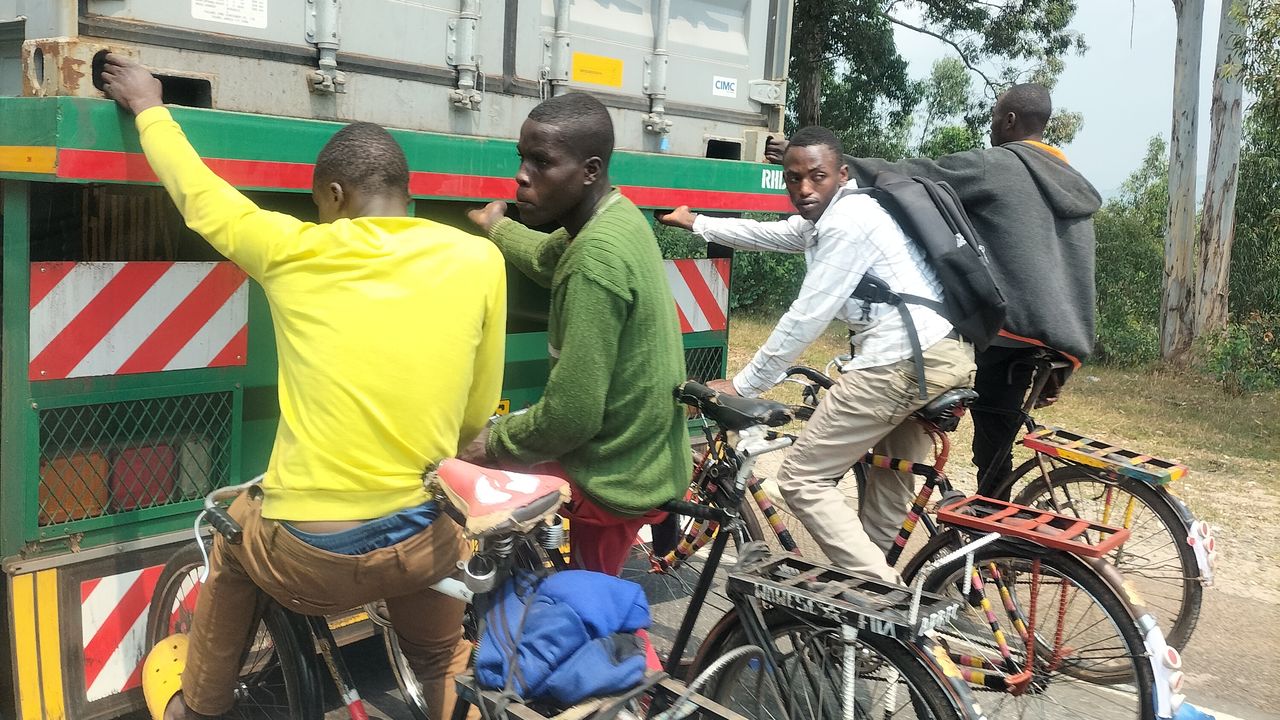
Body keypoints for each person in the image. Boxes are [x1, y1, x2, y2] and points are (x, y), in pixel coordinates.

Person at [101, 55, 505, 720]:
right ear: (410, 195)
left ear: (336, 197)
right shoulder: (478, 259)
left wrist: (149, 107)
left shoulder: (294, 251)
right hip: (422, 541)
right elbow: (473, 414)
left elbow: (200, 198)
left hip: (309, 556)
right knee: (442, 660)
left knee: (229, 534)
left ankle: (195, 709)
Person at [658, 126, 975, 582]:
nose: (803, 189)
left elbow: (805, 318)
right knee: (886, 487)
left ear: (841, 175)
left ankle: (892, 610)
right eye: (793, 179)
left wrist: (744, 386)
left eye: (816, 177)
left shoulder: (847, 223)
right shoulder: (835, 215)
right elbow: (769, 234)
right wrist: (697, 223)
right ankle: (864, 612)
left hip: (899, 362)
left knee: (802, 480)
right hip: (942, 355)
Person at [767, 84, 1101, 498]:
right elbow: (1075, 278)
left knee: (911, 404)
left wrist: (829, 163)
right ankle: (991, 542)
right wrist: (1065, 356)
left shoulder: (997, 164)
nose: (992, 125)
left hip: (999, 328)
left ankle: (944, 529)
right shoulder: (1075, 184)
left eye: (995, 116)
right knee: (995, 447)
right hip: (1046, 339)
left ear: (1009, 120)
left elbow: (913, 174)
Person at [461, 92, 690, 578]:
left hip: (612, 474)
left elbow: (569, 417)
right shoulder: (617, 214)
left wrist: (490, 442)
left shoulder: (594, 259)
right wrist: (497, 228)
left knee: (461, 475)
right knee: (592, 603)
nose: (522, 175)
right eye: (521, 159)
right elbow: (548, 258)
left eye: (541, 162)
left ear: (589, 170)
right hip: (639, 458)